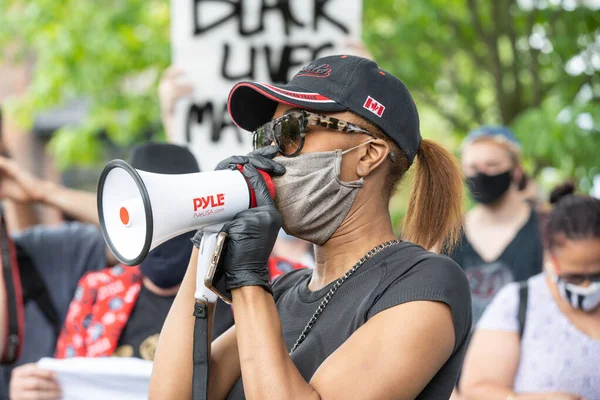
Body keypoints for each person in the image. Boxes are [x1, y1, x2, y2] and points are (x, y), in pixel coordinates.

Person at [150, 55, 472, 400]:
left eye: (292, 131)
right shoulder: (284, 292)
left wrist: (247, 278)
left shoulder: (424, 283)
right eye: (265, 137)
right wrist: (207, 240)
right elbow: (174, 395)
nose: (272, 154)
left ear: (368, 155)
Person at [7, 143, 234, 400]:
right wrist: (34, 389)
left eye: (175, 215)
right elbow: (64, 379)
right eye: (149, 214)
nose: (163, 234)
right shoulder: (97, 293)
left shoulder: (251, 285)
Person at [460, 183, 600, 399]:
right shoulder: (518, 303)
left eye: (597, 275)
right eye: (575, 276)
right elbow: (476, 389)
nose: (587, 286)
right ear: (550, 259)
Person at [449, 126, 543, 324]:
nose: (481, 175)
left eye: (492, 165)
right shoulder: (447, 234)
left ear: (516, 171)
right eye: (472, 168)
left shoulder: (544, 229)